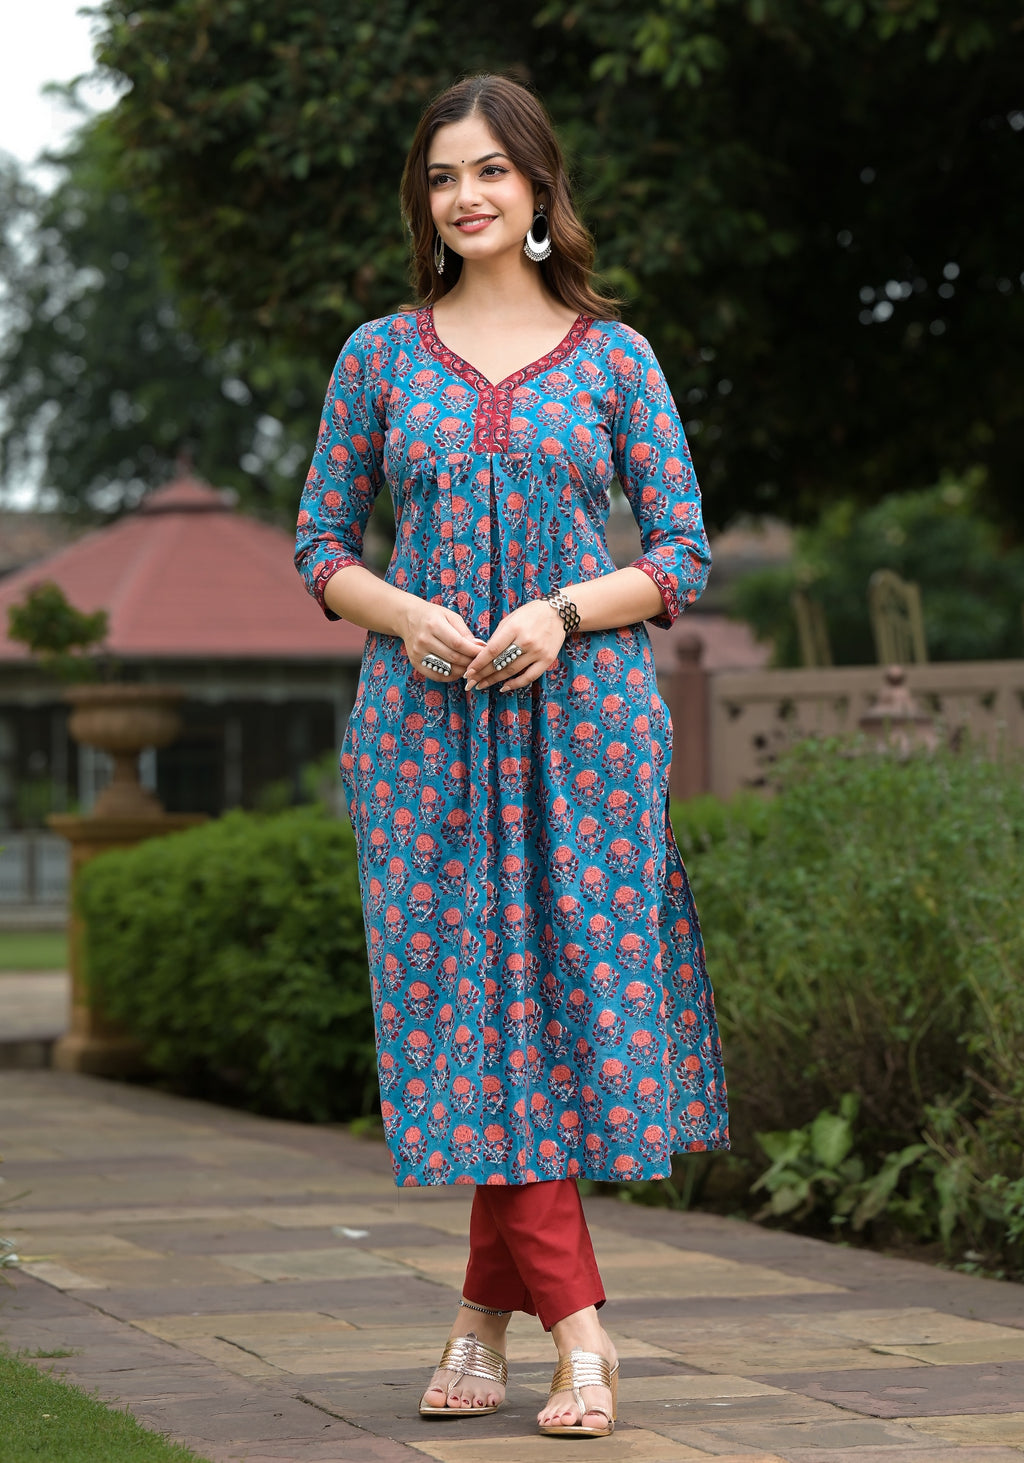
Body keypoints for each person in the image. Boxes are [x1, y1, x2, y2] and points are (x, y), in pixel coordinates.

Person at [295, 72, 728, 1440]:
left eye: (489, 169)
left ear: (539, 187)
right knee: (476, 1014)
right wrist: (403, 612)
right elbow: (319, 545)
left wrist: (560, 612)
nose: (465, 195)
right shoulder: (378, 357)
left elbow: (682, 555)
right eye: (442, 176)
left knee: (557, 1015)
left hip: (587, 732)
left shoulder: (616, 360)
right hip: (424, 738)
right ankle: (582, 1337)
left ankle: (492, 1327)